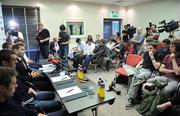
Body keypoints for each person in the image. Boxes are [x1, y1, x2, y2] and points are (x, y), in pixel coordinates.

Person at [0, 50, 67, 116]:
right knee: (61, 108)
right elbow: (21, 102)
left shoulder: (7, 98)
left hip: (28, 98)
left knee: (52, 95)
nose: (16, 62)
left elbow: (19, 106)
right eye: (14, 60)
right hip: (28, 101)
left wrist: (36, 113)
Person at [126, 42, 162, 110]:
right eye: (148, 48)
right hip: (141, 69)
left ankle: (131, 99)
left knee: (136, 78)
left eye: (151, 48)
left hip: (149, 71)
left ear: (155, 49)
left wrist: (152, 57)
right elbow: (142, 60)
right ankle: (133, 95)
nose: (149, 50)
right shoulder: (146, 53)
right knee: (129, 71)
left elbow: (157, 67)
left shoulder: (159, 55)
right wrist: (138, 64)